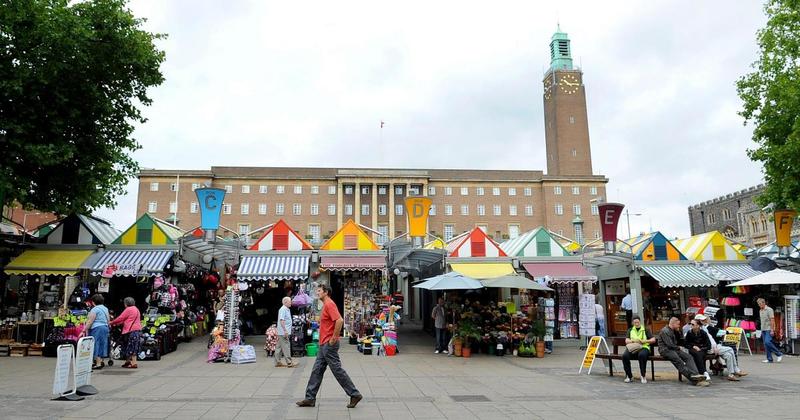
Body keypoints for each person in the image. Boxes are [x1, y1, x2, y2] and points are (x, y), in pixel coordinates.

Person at [297, 284, 362, 409]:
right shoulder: (325, 305)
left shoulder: (329, 304)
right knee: (317, 370)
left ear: (326, 292)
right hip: (323, 344)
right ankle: (310, 398)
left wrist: (333, 338)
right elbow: (328, 321)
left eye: (319, 291)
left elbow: (339, 320)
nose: (317, 293)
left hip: (328, 344)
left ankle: (354, 394)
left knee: (337, 370)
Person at [657, 317, 708, 386]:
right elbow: (669, 344)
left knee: (688, 357)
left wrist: (678, 332)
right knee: (679, 361)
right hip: (666, 350)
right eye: (678, 324)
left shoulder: (675, 330)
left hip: (674, 349)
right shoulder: (665, 331)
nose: (679, 326)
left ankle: (696, 375)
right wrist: (678, 347)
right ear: (673, 324)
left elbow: (681, 341)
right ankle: (694, 379)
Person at [696, 314, 746, 381]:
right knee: (730, 349)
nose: (706, 320)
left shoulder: (705, 328)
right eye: (703, 320)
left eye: (705, 319)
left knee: (728, 355)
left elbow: (710, 339)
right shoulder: (704, 329)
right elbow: (710, 339)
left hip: (713, 347)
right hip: (710, 349)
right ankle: (736, 369)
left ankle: (731, 374)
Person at [109, 297, 142, 369]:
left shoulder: (128, 309)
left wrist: (111, 322)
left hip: (130, 330)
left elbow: (121, 318)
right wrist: (118, 323)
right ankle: (128, 362)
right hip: (136, 330)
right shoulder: (136, 309)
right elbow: (127, 319)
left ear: (126, 303)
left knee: (130, 346)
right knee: (132, 346)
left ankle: (133, 363)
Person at [622, 315, 656, 383]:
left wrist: (645, 341)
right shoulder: (630, 330)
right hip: (633, 347)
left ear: (640, 322)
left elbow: (653, 339)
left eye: (638, 322)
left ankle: (643, 376)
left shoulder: (646, 329)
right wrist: (634, 341)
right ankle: (629, 376)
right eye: (635, 322)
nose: (637, 324)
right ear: (632, 323)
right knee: (625, 356)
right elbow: (626, 341)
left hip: (644, 347)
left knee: (642, 355)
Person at [81, 294, 110, 370]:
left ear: (93, 302)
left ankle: (98, 363)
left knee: (96, 344)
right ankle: (100, 361)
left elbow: (90, 321)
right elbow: (108, 319)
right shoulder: (105, 308)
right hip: (105, 327)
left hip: (97, 328)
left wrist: (84, 330)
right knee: (102, 344)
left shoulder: (94, 309)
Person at [757, 298, 783, 363]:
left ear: (764, 303)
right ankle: (769, 359)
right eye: (758, 304)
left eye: (760, 304)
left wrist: (772, 330)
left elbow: (772, 320)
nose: (759, 305)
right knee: (766, 345)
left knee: (767, 342)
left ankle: (779, 354)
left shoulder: (769, 309)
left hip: (769, 328)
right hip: (763, 329)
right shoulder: (760, 310)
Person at [275, 297, 296, 367]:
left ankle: (277, 362)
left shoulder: (286, 309)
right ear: (285, 302)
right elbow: (282, 320)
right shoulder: (283, 309)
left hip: (282, 331)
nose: (291, 303)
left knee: (279, 346)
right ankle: (289, 362)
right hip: (283, 332)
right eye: (290, 301)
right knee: (286, 346)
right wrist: (285, 330)